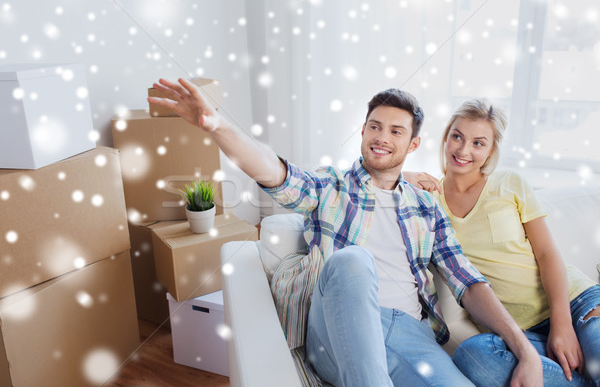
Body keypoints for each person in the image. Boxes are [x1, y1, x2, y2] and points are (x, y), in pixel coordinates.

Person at [148, 79, 543, 387]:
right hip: (335, 328)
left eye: (395, 131)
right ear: (363, 131)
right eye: (374, 126)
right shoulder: (330, 187)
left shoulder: (426, 207)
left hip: (407, 333)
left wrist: (524, 348)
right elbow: (274, 171)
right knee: (354, 260)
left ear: (413, 143)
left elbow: (468, 281)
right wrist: (217, 126)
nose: (381, 138)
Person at [407, 98, 600, 387]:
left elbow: (547, 254)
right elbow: (367, 180)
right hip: (518, 334)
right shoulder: (429, 201)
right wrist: (401, 175)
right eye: (457, 136)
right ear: (445, 137)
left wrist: (563, 325)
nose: (463, 150)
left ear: (491, 150)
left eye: (478, 143)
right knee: (472, 356)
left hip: (575, 304)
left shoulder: (509, 183)